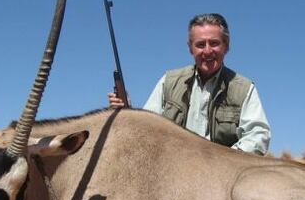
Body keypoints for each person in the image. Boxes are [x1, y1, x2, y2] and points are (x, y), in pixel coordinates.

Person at [108, 13, 270, 155]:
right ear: (190, 48)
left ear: (226, 47)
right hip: (173, 169)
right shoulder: (169, 80)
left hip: (221, 176)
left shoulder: (243, 87)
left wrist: (224, 159)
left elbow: (258, 135)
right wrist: (129, 112)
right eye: (200, 44)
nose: (207, 51)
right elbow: (147, 128)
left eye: (214, 43)